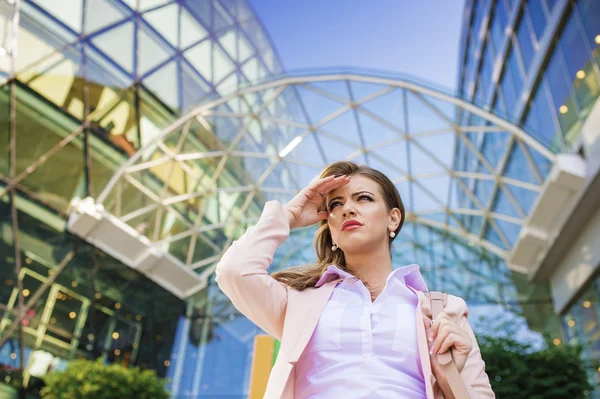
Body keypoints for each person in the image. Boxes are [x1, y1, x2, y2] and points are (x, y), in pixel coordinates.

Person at [216, 161, 494, 399]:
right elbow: (235, 272)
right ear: (331, 231)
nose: (348, 209)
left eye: (363, 198)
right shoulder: (298, 302)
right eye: (336, 204)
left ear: (393, 219)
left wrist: (448, 378)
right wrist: (288, 215)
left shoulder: (444, 311)